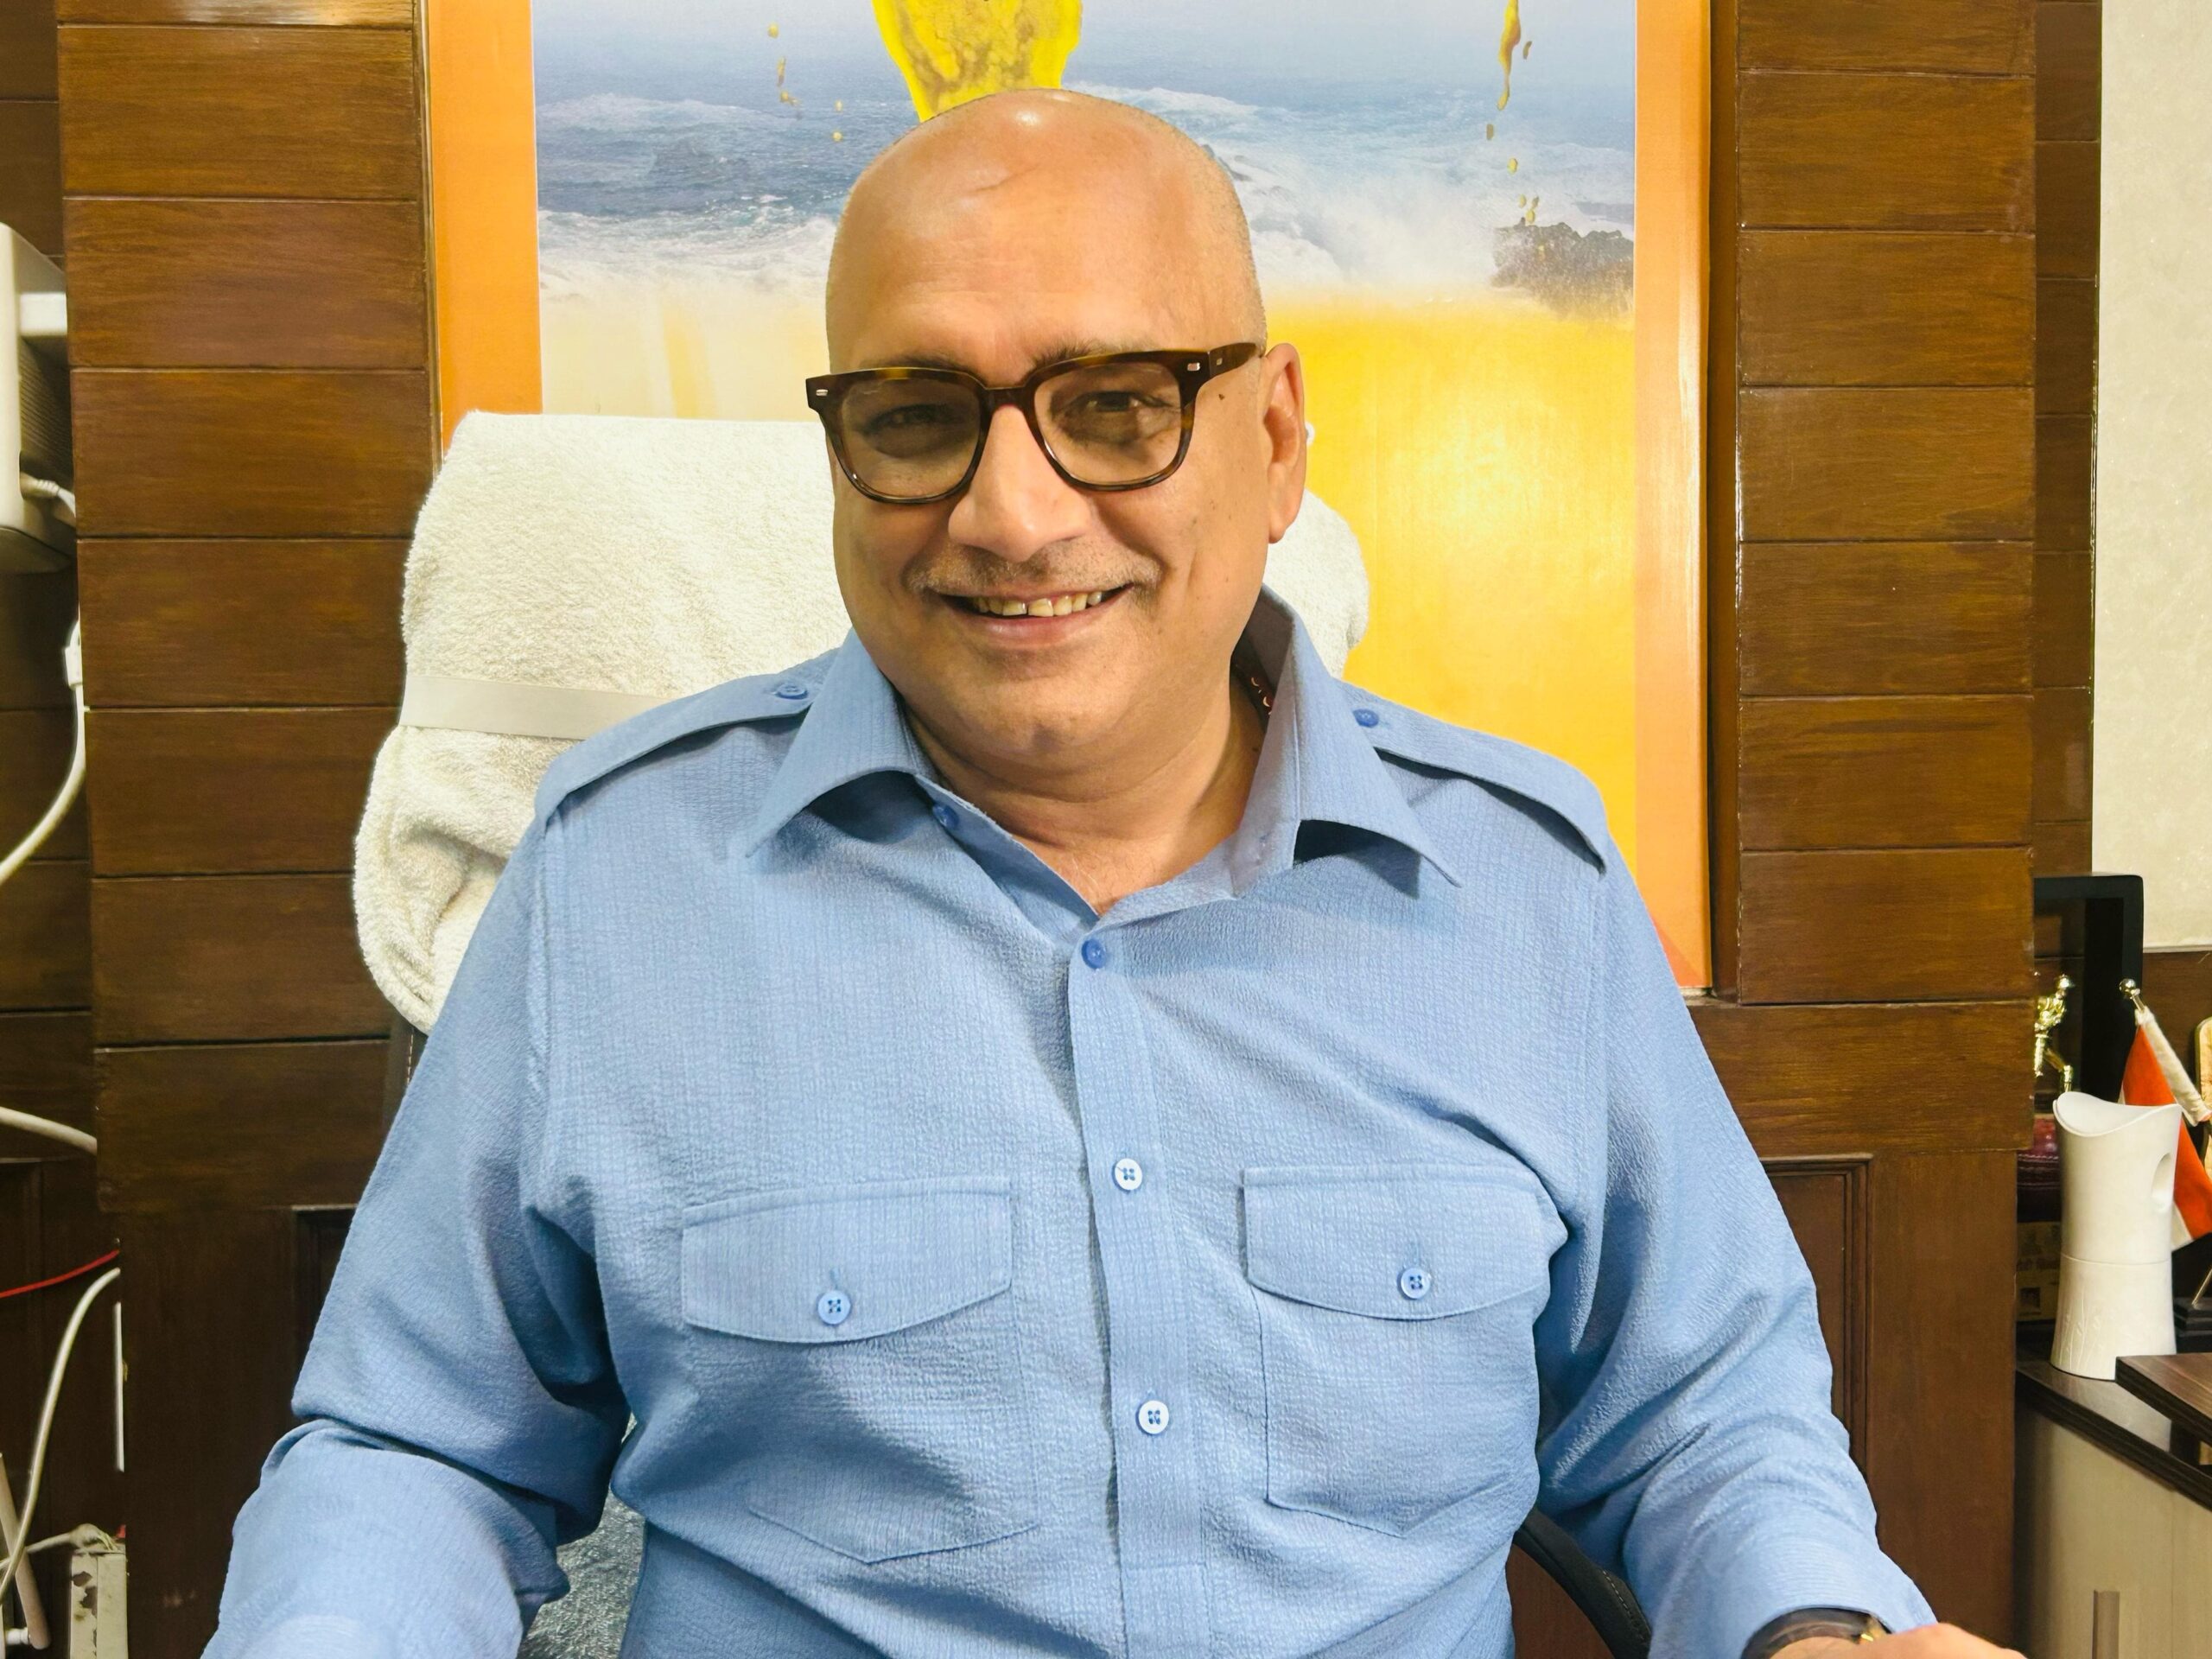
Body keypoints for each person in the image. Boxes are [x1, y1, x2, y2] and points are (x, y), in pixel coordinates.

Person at [208, 92, 2021, 1659]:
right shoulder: (618, 879)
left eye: (1117, 403)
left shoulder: (1523, 881)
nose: (1011, 514)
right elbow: (420, 1450)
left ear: (1273, 439)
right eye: (916, 413)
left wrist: (1814, 1631)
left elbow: (1698, 1415)